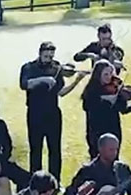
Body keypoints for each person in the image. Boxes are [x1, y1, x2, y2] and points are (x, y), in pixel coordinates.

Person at [18, 41, 87, 182]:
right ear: (40, 53)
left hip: (53, 114)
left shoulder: (56, 68)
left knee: (55, 150)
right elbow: (24, 84)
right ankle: (35, 182)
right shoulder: (28, 68)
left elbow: (61, 92)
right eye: (46, 56)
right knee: (35, 149)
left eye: (51, 56)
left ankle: (55, 182)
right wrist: (44, 80)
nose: (49, 59)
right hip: (35, 114)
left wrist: (76, 81)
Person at [80, 60, 131, 159]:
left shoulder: (116, 88)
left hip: (113, 128)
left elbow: (123, 109)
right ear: (98, 74)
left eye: (111, 73)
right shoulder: (91, 90)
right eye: (105, 74)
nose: (109, 77)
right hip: (96, 129)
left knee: (114, 157)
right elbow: (86, 107)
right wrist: (105, 101)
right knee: (96, 157)